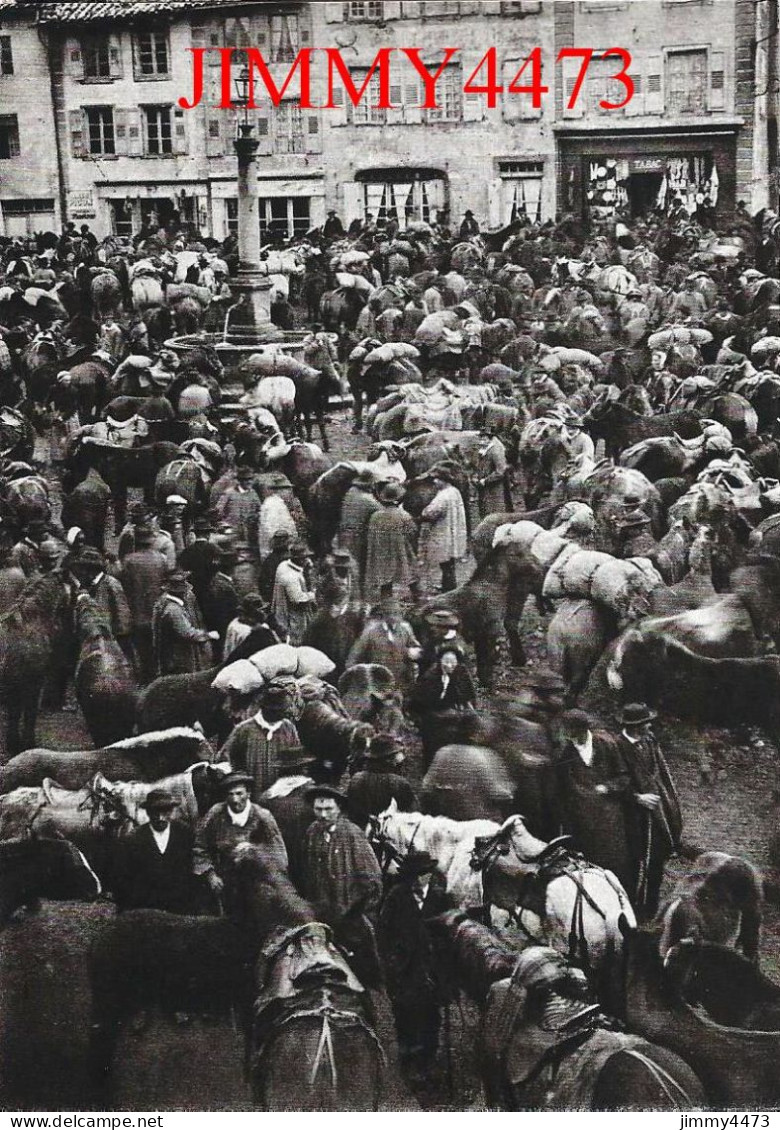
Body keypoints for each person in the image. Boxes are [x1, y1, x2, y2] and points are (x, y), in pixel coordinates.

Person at [301, 784, 383, 987]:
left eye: (328, 809)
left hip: (351, 917)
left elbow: (372, 879)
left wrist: (357, 911)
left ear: (338, 809)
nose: (323, 815)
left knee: (361, 971)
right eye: (318, 809)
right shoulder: (312, 833)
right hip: (324, 914)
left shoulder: (352, 834)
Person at [377, 850, 449, 1068]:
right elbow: (382, 933)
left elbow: (448, 939)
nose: (419, 880)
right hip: (404, 969)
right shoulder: (396, 897)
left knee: (431, 1017)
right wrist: (391, 963)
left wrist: (446, 975)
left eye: (424, 874)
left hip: (431, 970)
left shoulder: (441, 899)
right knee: (405, 1015)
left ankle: (428, 1061)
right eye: (414, 875)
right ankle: (408, 1060)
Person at [553, 709, 636, 896]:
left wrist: (607, 788)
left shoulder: (607, 745)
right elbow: (562, 792)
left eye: (572, 732)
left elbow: (623, 777)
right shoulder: (564, 754)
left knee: (617, 865)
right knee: (589, 867)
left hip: (610, 820)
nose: (569, 737)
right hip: (582, 823)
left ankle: (622, 903)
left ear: (583, 730)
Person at [616, 703, 683, 918]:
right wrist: (637, 798)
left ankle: (650, 908)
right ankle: (629, 909)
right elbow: (614, 781)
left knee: (657, 859)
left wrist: (666, 804)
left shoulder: (650, 741)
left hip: (656, 814)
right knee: (632, 863)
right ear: (635, 726)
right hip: (630, 816)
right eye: (645, 723)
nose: (649, 725)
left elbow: (661, 773)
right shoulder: (617, 747)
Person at [193, 771, 288, 912]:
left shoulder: (263, 817)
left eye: (239, 793)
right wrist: (211, 874)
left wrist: (255, 853)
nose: (235, 799)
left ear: (248, 793)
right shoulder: (215, 814)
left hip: (258, 882)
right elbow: (200, 847)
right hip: (225, 883)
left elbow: (280, 857)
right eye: (230, 795)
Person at [112, 788, 197, 915]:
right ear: (148, 812)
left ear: (172, 811)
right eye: (155, 812)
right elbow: (122, 880)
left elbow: (192, 870)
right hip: (147, 909)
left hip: (180, 908)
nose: (160, 817)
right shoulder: (133, 839)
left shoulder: (185, 833)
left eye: (165, 811)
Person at [218, 682, 301, 796]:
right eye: (274, 710)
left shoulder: (288, 728)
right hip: (250, 796)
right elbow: (225, 758)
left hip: (279, 797)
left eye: (281, 710)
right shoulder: (244, 730)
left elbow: (296, 762)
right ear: (264, 709)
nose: (279, 714)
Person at [408, 646, 477, 764]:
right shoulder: (430, 677)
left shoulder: (461, 673)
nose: (450, 665)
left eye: (453, 662)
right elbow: (420, 702)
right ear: (440, 661)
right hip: (432, 716)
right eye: (446, 662)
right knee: (432, 749)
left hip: (453, 715)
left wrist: (468, 712)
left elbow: (468, 696)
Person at [346, 585, 422, 691]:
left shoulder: (405, 628)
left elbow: (417, 648)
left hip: (401, 684)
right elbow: (354, 657)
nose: (394, 617)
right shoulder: (370, 631)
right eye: (390, 614)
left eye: (397, 614)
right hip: (378, 683)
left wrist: (414, 651)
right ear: (383, 615)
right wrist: (360, 680)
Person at [119, 523, 168, 683]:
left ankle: (145, 679)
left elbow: (124, 588)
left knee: (141, 651)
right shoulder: (161, 559)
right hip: (157, 612)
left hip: (137, 612)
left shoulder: (128, 561)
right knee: (156, 650)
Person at [151, 568, 217, 676]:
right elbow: (187, 633)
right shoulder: (173, 610)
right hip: (178, 656)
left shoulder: (163, 601)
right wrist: (208, 635)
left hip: (172, 654)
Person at [346, 733, 417, 830]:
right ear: (388, 759)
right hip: (389, 836)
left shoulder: (356, 779)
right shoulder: (399, 783)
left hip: (360, 834)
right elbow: (413, 816)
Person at [363, 481, 418, 604]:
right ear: (399, 499)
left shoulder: (375, 516)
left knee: (385, 580)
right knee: (411, 575)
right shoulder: (403, 515)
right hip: (400, 551)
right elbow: (413, 531)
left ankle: (386, 604)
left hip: (382, 553)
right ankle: (416, 601)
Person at [72, 547, 133, 658]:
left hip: (110, 641)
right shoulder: (86, 585)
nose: (81, 572)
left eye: (84, 568)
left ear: (93, 569)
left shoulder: (111, 584)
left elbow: (123, 618)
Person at [419, 468, 468, 593]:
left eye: (437, 479)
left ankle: (449, 589)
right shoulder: (454, 491)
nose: (435, 482)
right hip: (453, 530)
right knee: (449, 563)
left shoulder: (443, 496)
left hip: (444, 531)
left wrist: (421, 515)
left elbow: (430, 513)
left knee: (445, 564)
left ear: (444, 480)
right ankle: (447, 586)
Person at [337, 469, 382, 588]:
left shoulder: (351, 492)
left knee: (345, 563)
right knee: (356, 564)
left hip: (343, 532)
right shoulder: (367, 499)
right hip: (356, 535)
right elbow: (381, 510)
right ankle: (357, 591)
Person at [271, 540, 317, 645]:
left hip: (283, 613)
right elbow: (297, 599)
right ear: (299, 560)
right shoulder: (291, 577)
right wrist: (313, 594)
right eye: (305, 557)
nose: (308, 560)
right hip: (292, 620)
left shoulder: (283, 565)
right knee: (296, 645)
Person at [475, 427, 510, 519]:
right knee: (485, 510)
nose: (482, 441)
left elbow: (500, 471)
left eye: (484, 438)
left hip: (494, 488)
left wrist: (486, 480)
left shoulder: (495, 451)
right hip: (485, 488)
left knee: (494, 511)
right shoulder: (484, 450)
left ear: (490, 439)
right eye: (481, 438)